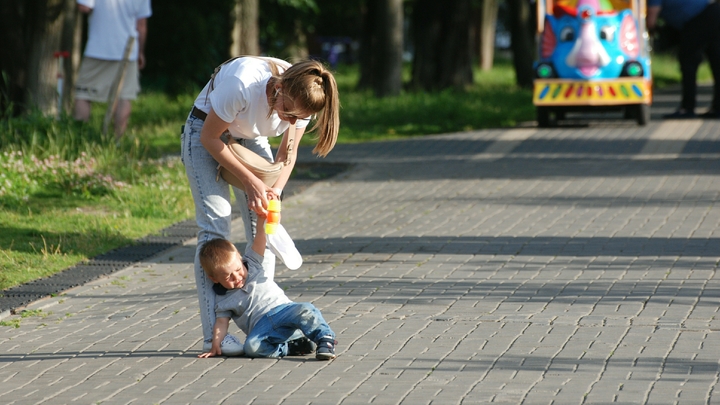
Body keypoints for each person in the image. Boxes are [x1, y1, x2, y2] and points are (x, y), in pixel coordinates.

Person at [181, 56, 340, 356]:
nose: (292, 122)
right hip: (206, 132)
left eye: (299, 118)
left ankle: (267, 317)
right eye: (290, 114)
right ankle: (212, 338)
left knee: (262, 221)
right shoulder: (242, 84)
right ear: (279, 89)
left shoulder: (305, 94)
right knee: (216, 228)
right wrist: (252, 183)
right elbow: (210, 138)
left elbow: (287, 156)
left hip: (247, 136)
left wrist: (274, 192)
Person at [197, 218, 337, 360]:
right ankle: (291, 346)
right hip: (262, 328)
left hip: (283, 311)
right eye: (228, 277)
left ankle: (325, 339)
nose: (237, 277)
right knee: (251, 347)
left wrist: (262, 218)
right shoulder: (223, 299)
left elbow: (259, 236)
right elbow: (221, 324)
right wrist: (215, 344)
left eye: (238, 269)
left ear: (240, 258)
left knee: (305, 309)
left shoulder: (252, 263)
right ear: (214, 279)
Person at [73, 0, 152, 138]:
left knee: (83, 94)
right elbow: (141, 25)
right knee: (124, 97)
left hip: (97, 48)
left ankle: (79, 137)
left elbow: (84, 7)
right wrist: (140, 52)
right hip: (128, 50)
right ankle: (118, 141)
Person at [647, 0, 720, 119]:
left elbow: (651, 20)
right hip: (713, 12)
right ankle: (718, 108)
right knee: (717, 63)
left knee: (688, 64)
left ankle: (687, 108)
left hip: (698, 19)